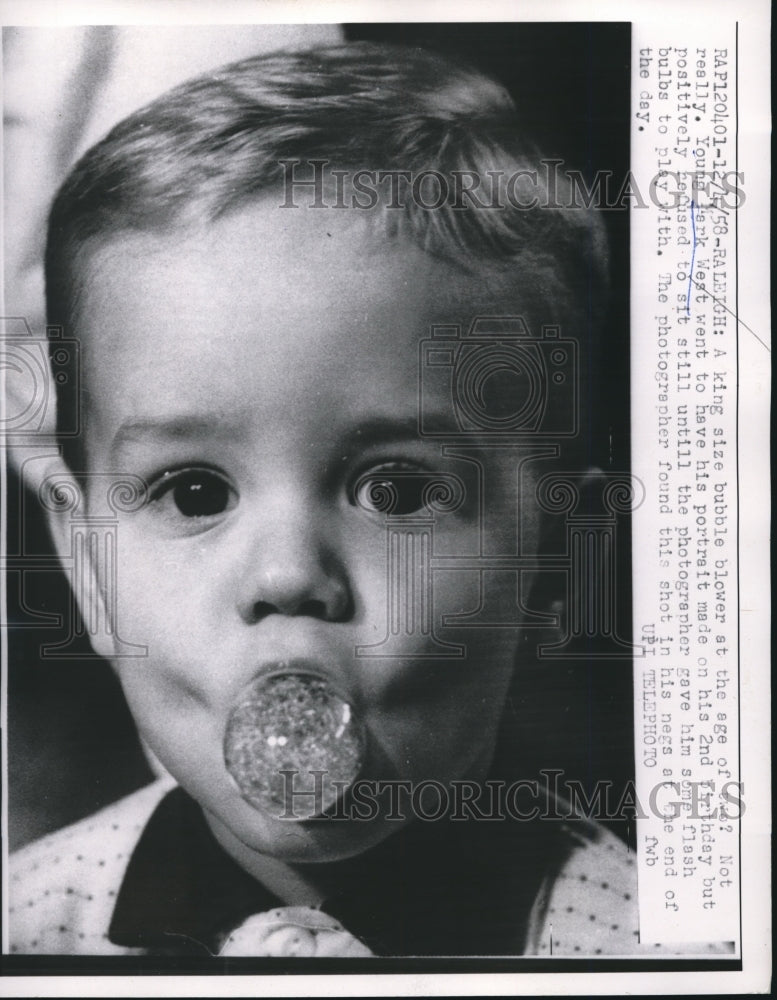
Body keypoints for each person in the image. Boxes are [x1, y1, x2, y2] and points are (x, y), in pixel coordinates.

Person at [7, 42, 724, 959]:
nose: (286, 574)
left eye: (393, 489)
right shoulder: (31, 927)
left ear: (554, 559)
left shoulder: (652, 951)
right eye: (194, 491)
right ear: (87, 566)